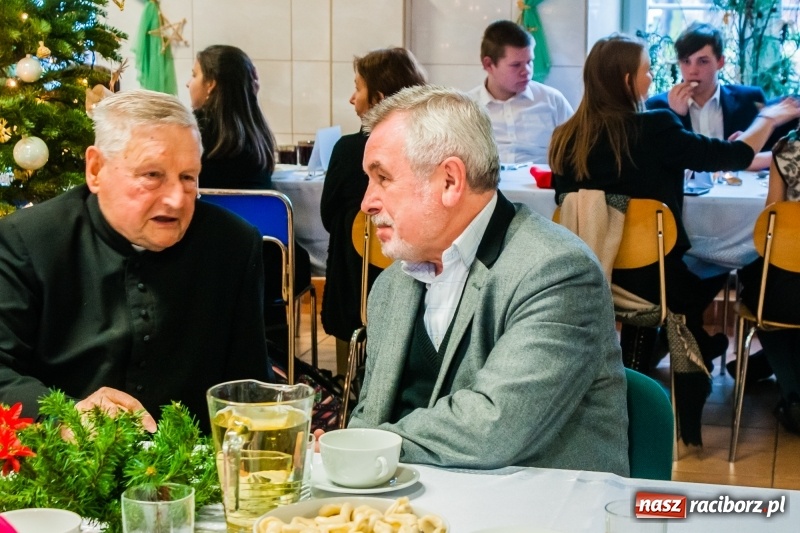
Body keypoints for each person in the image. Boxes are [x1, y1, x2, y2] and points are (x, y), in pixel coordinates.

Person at [347, 85, 629, 475]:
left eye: (382, 178)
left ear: (449, 181)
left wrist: (363, 448)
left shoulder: (557, 272)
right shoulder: (393, 285)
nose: (367, 202)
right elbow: (370, 414)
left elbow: (495, 426)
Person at [0, 89, 272, 431]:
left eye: (188, 177)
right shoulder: (28, 241)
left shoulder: (233, 244)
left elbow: (247, 385)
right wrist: (66, 418)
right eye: (152, 175)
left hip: (193, 469)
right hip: (62, 465)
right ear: (96, 169)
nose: (175, 199)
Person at [549, 34, 800, 372]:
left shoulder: (565, 137)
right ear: (627, 80)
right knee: (727, 257)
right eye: (648, 70)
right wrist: (767, 119)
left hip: (588, 274)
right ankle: (689, 351)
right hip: (655, 282)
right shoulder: (653, 127)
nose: (652, 78)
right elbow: (736, 155)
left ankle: (661, 361)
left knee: (681, 268)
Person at [187, 45, 310, 357]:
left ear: (211, 83)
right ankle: (280, 362)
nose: (190, 84)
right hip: (268, 265)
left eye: (194, 75)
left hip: (208, 262)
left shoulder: (191, 135)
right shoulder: (258, 132)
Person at [320, 47, 427, 376]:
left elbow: (327, 216)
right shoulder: (427, 148)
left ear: (378, 97)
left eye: (357, 88)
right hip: (417, 285)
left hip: (355, 292)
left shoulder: (349, 150)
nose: (353, 99)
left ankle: (347, 380)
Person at [646, 22, 793, 171]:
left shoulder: (749, 99)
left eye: (702, 61)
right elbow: (662, 164)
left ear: (720, 62)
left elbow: (771, 155)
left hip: (741, 192)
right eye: (686, 61)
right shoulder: (657, 107)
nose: (692, 71)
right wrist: (675, 116)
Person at [738, 132, 800, 434]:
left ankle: (793, 395)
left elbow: (769, 224)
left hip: (789, 292)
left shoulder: (787, 148)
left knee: (763, 301)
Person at [467, 20, 573, 165]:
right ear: (488, 64)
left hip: (543, 186)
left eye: (529, 62)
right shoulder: (467, 108)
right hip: (489, 186)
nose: (527, 72)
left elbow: (576, 154)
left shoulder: (553, 101)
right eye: (516, 65)